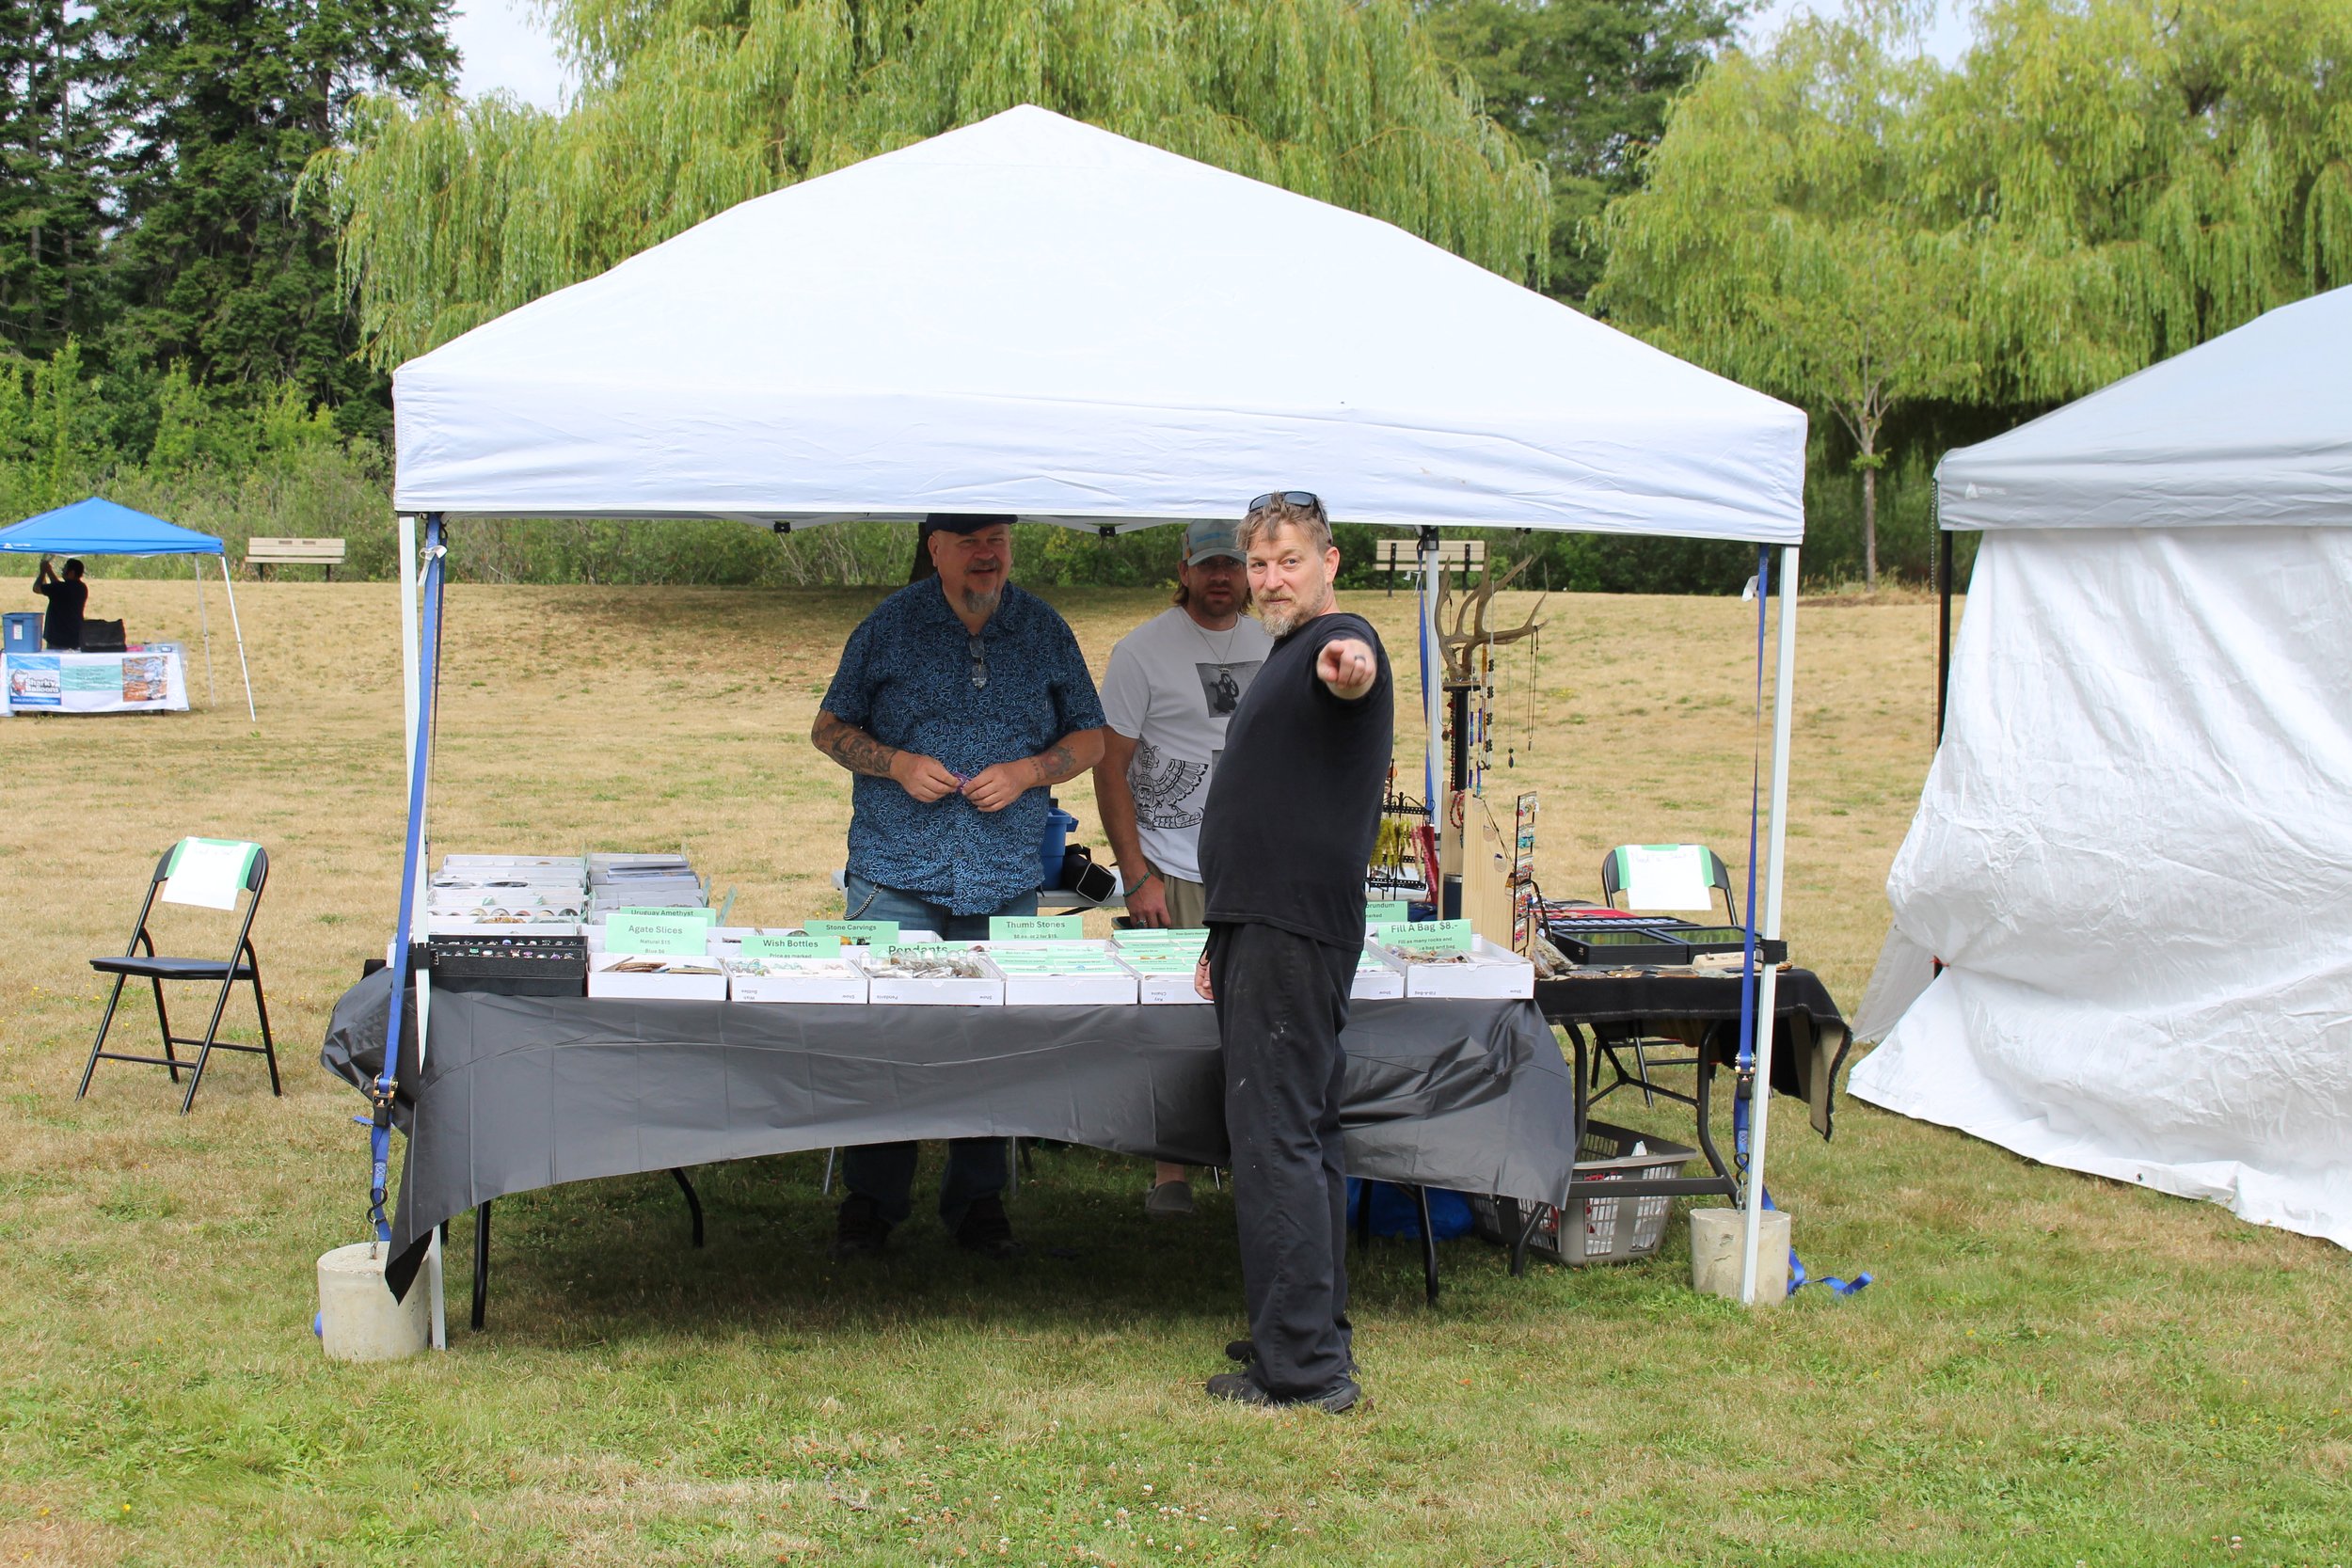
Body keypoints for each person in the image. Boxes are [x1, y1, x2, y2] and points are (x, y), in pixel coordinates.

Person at [811, 514, 1107, 1260]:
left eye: (999, 538)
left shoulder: (1043, 628)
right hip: (896, 871)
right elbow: (828, 726)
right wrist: (895, 763)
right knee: (889, 1039)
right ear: (935, 549)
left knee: (995, 1041)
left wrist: (1031, 771)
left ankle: (978, 1202)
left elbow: (1092, 736)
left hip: (1005, 876)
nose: (987, 553)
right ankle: (873, 1202)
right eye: (970, 539)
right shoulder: (889, 625)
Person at [1194, 490, 1391, 1413]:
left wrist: (1348, 666)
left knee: (1276, 1139)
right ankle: (1302, 1329)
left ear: (1329, 562)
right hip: (1260, 923)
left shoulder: (1337, 641)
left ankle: (1304, 1371)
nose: (1271, 578)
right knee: (1301, 1134)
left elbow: (1349, 671)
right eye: (1260, 563)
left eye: (1289, 560)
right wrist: (1219, 931)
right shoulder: (1283, 651)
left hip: (1290, 929)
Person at [1092, 518, 1273, 1218]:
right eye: (1209, 565)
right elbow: (1112, 768)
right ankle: (1173, 1172)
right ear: (1185, 570)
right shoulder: (1142, 651)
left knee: (1255, 1017)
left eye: (1234, 563)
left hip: (1258, 865)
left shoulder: (1274, 642)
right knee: (1178, 1021)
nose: (1222, 576)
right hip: (1173, 866)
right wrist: (1136, 875)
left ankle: (1255, 1157)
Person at [32, 558, 87, 650]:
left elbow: (36, 588)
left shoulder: (60, 588)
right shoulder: (82, 588)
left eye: (65, 568)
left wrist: (42, 572)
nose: (62, 570)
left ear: (72, 573)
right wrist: (49, 571)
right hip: (75, 636)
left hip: (58, 638)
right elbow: (57, 585)